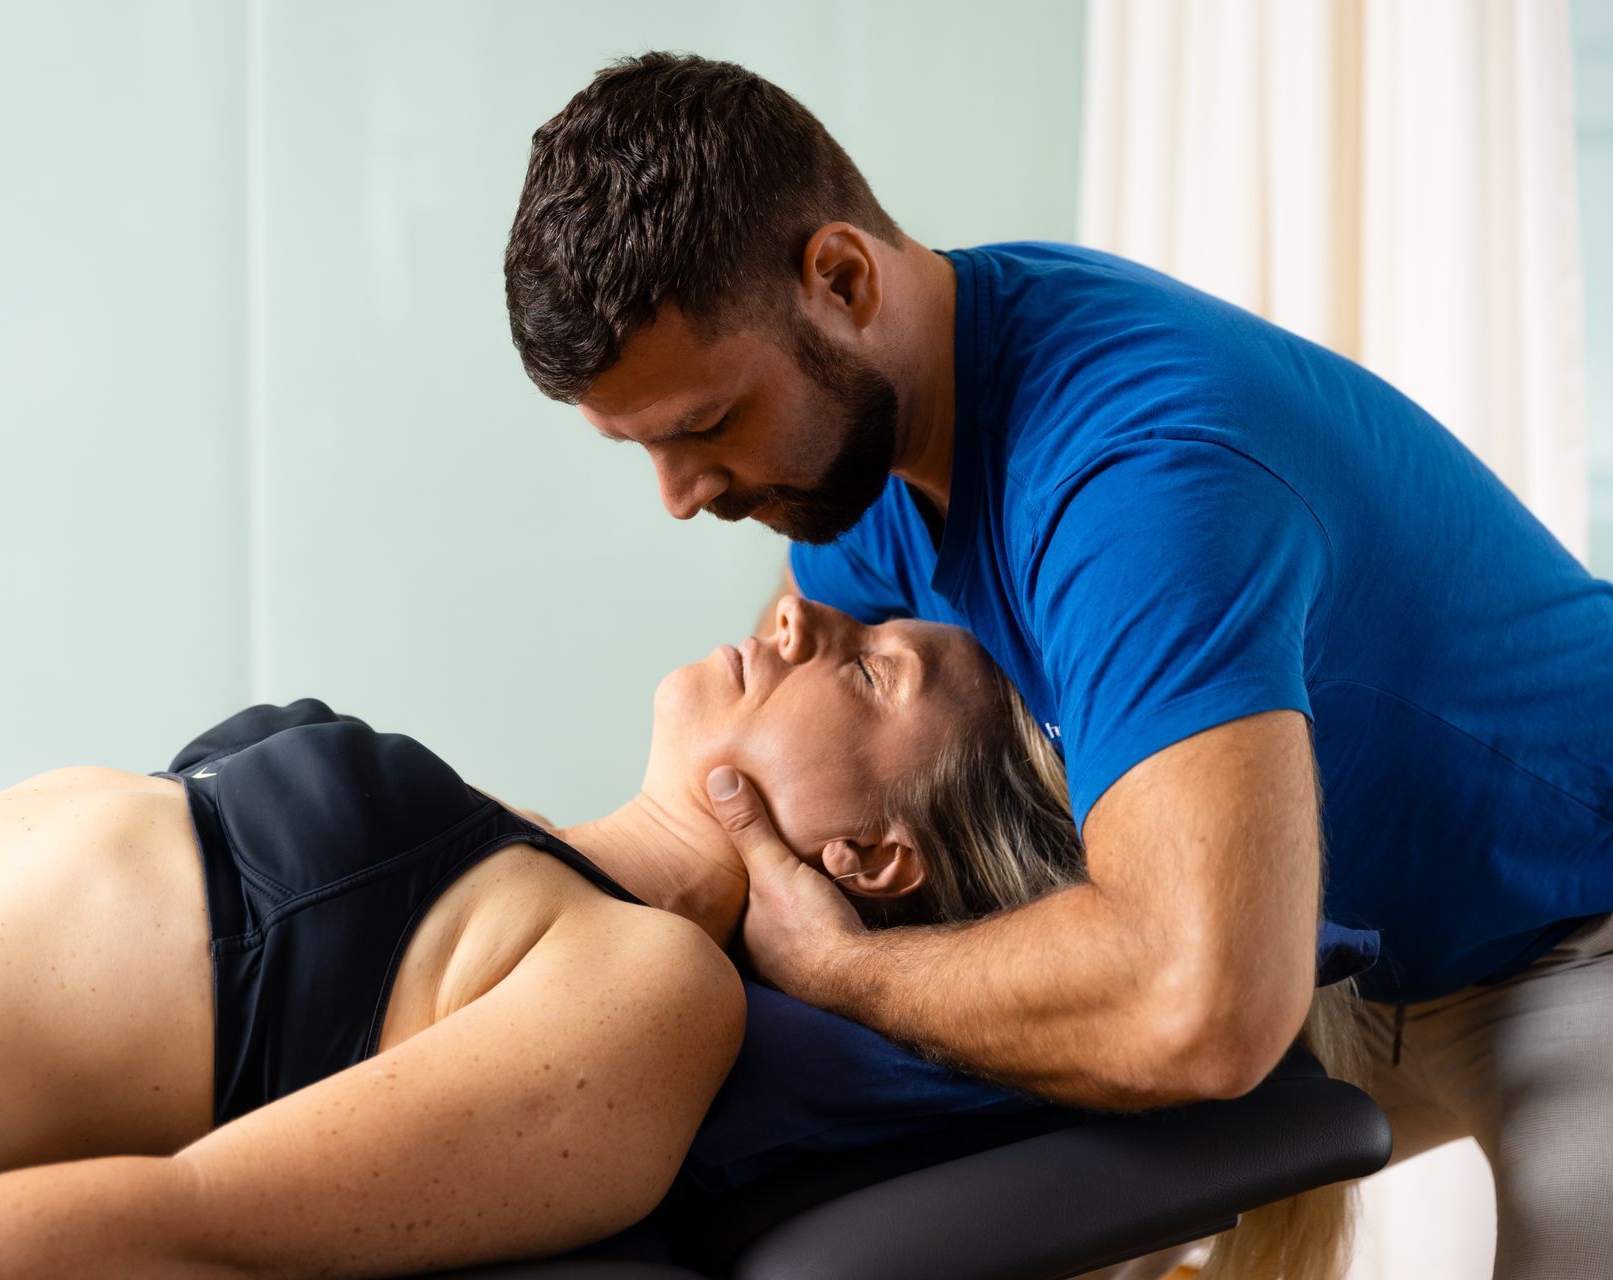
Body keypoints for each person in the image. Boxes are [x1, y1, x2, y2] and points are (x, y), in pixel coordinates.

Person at [504, 52, 1613, 1280]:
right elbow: (766, 778)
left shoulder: (1136, 484)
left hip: (1573, 921)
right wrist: (537, 882)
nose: (679, 495)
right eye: (643, 448)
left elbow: (1202, 1005)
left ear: (842, 278)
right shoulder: (861, 449)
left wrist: (843, 968)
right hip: (1324, 955)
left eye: (707, 424)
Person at [0, 599, 1086, 1277]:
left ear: (872, 856)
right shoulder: (522, 837)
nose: (799, 613)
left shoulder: (650, 989)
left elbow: (193, 1227)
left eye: (870, 667)